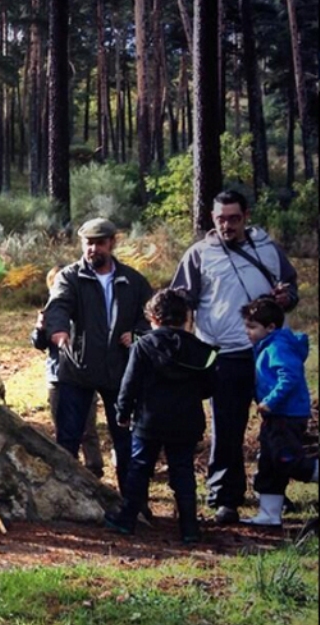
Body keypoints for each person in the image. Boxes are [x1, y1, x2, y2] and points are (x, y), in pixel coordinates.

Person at [171, 190, 299, 524]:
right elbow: (181, 301)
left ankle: (272, 492)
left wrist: (286, 297)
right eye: (220, 219)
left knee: (278, 426)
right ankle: (225, 497)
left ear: (246, 216)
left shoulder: (269, 249)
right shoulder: (199, 255)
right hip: (224, 352)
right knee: (227, 427)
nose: (227, 225)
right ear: (212, 219)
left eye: (234, 218)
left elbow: (291, 288)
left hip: (270, 353)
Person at [42, 217, 153, 495]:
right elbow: (57, 307)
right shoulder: (69, 277)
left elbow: (151, 316)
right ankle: (64, 499)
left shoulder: (133, 280)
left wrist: (137, 333)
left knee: (126, 440)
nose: (93, 249)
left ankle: (133, 502)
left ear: (112, 243)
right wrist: (58, 332)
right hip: (77, 368)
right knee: (68, 438)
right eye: (88, 243)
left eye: (99, 243)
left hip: (120, 372)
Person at [105, 289, 217, 543]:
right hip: (186, 420)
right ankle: (189, 527)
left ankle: (127, 520)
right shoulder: (201, 350)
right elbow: (210, 387)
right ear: (185, 317)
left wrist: (123, 411)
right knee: (183, 471)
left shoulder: (143, 345)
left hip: (149, 419)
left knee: (139, 469)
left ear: (153, 317)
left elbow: (129, 383)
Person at [239, 297, 318, 527]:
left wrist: (270, 401)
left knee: (286, 458)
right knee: (269, 463)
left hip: (287, 414)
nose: (247, 332)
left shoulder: (278, 347)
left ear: (271, 327)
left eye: (252, 327)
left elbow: (289, 377)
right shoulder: (265, 346)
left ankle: (313, 471)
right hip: (274, 416)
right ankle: (269, 514)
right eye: (247, 326)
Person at [31, 265, 105, 478]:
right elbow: (39, 344)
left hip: (84, 373)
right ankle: (67, 468)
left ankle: (94, 467)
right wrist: (40, 328)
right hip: (57, 375)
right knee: (62, 426)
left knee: (87, 426)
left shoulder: (85, 309)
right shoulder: (50, 311)